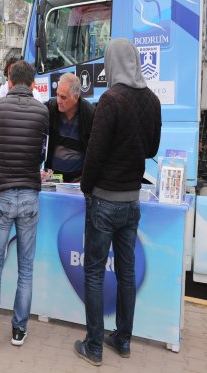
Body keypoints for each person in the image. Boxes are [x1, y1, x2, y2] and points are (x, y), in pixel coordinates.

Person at [74, 38, 161, 365]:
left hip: (105, 200)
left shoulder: (110, 100)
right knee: (127, 270)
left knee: (94, 271)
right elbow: (151, 149)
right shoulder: (152, 100)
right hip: (131, 201)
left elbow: (94, 153)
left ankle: (94, 346)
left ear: (112, 63)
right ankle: (122, 339)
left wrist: (86, 186)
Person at [0, 60, 48, 350]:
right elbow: (43, 151)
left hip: (3, 193)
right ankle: (19, 331)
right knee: (26, 268)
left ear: (9, 81)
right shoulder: (43, 111)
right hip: (30, 194)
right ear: (31, 84)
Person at [44, 72, 95, 182]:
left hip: (78, 181)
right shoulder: (50, 108)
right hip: (53, 179)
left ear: (75, 97)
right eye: (57, 95)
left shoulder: (89, 114)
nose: (58, 100)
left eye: (63, 97)